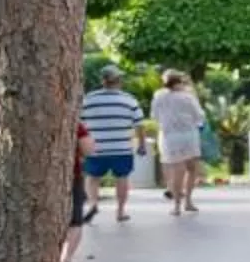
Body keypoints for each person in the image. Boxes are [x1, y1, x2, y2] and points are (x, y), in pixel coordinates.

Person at [78, 64, 144, 222]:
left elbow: (79, 123)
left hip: (95, 148)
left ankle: (93, 204)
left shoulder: (88, 99)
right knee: (122, 178)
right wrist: (141, 144)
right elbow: (139, 124)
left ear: (102, 80)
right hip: (121, 148)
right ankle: (120, 211)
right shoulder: (129, 100)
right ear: (119, 80)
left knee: (92, 177)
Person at [151, 69, 206, 215]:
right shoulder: (188, 97)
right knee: (191, 169)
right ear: (179, 82)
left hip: (169, 137)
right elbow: (199, 116)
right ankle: (188, 201)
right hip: (188, 135)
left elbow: (154, 116)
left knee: (176, 171)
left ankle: (176, 206)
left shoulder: (159, 96)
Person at [62, 120, 91, 262]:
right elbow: (88, 149)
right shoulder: (73, 123)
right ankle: (66, 259)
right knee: (75, 222)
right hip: (71, 177)